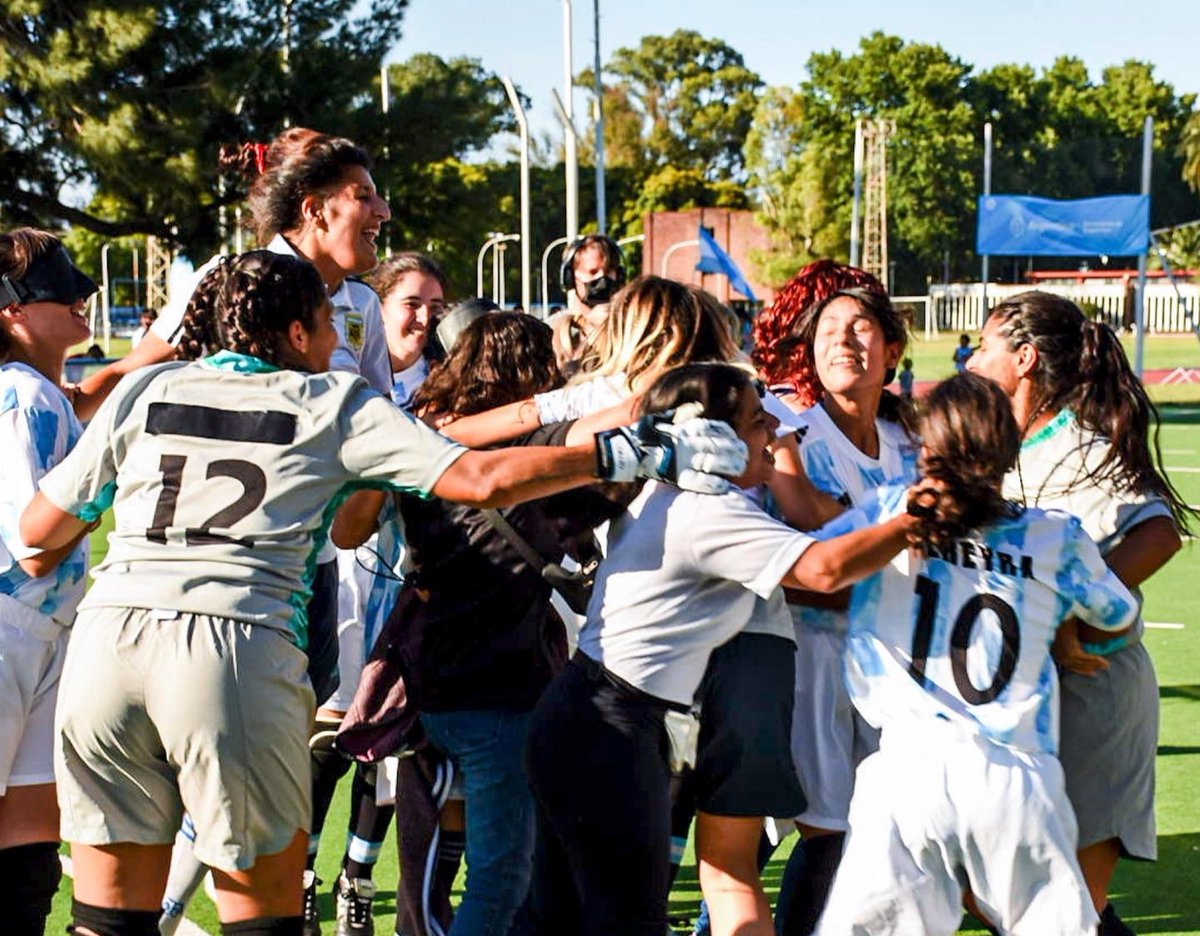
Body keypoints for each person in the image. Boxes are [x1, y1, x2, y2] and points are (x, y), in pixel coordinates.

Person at [19, 251, 747, 936]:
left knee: (107, 918)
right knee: (258, 914)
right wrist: (630, 449)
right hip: (231, 645)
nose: (342, 340)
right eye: (334, 324)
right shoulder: (330, 399)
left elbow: (38, 529)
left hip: (106, 646)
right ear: (297, 329)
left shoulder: (148, 389)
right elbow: (480, 477)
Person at [518, 362, 948, 936]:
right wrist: (912, 520)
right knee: (622, 921)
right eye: (754, 419)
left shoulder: (665, 488)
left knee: (555, 917)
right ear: (710, 437)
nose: (774, 425)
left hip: (589, 719)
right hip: (611, 729)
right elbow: (825, 571)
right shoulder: (711, 511)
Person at [814, 372, 1139, 936]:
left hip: (904, 768)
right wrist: (1057, 613)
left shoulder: (890, 510)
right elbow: (1117, 614)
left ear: (926, 445)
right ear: (1009, 450)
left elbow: (823, 564)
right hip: (1016, 771)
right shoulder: (1053, 536)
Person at [335, 312, 628, 936]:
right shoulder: (539, 457)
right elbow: (602, 492)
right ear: (532, 374)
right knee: (500, 877)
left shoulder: (424, 449)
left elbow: (347, 530)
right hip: (504, 680)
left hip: (423, 675)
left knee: (427, 864)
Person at [966, 291, 1195, 935]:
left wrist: (1077, 615)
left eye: (985, 347)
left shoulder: (1080, 447)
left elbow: (1159, 534)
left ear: (1026, 358)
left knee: (1069, 909)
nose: (972, 360)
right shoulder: (997, 445)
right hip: (1025, 700)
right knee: (1001, 895)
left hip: (1096, 692)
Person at [768, 283, 919, 936]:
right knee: (825, 834)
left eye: (860, 328)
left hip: (896, 663)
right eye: (828, 329)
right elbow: (805, 557)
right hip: (813, 659)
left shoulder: (909, 441)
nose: (842, 340)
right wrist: (890, 535)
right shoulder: (793, 437)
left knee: (889, 831)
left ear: (892, 349)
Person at [0, 229, 97, 935]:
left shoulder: (40, 392)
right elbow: (33, 546)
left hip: (40, 632)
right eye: (58, 284)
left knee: (32, 843)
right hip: (11, 629)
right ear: (12, 310)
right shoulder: (21, 396)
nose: (81, 294)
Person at [548, 234, 626, 372]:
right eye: (593, 272)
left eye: (608, 271)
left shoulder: (632, 327)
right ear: (570, 278)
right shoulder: (555, 332)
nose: (602, 279)